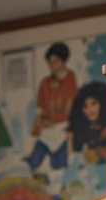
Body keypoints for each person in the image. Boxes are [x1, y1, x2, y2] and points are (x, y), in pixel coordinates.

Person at [25, 42, 77, 172]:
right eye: (50, 62)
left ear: (63, 61)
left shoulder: (70, 80)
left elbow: (72, 108)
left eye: (56, 61)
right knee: (33, 163)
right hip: (47, 129)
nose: (52, 66)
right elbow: (40, 109)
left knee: (60, 167)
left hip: (64, 130)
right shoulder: (45, 83)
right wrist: (36, 130)